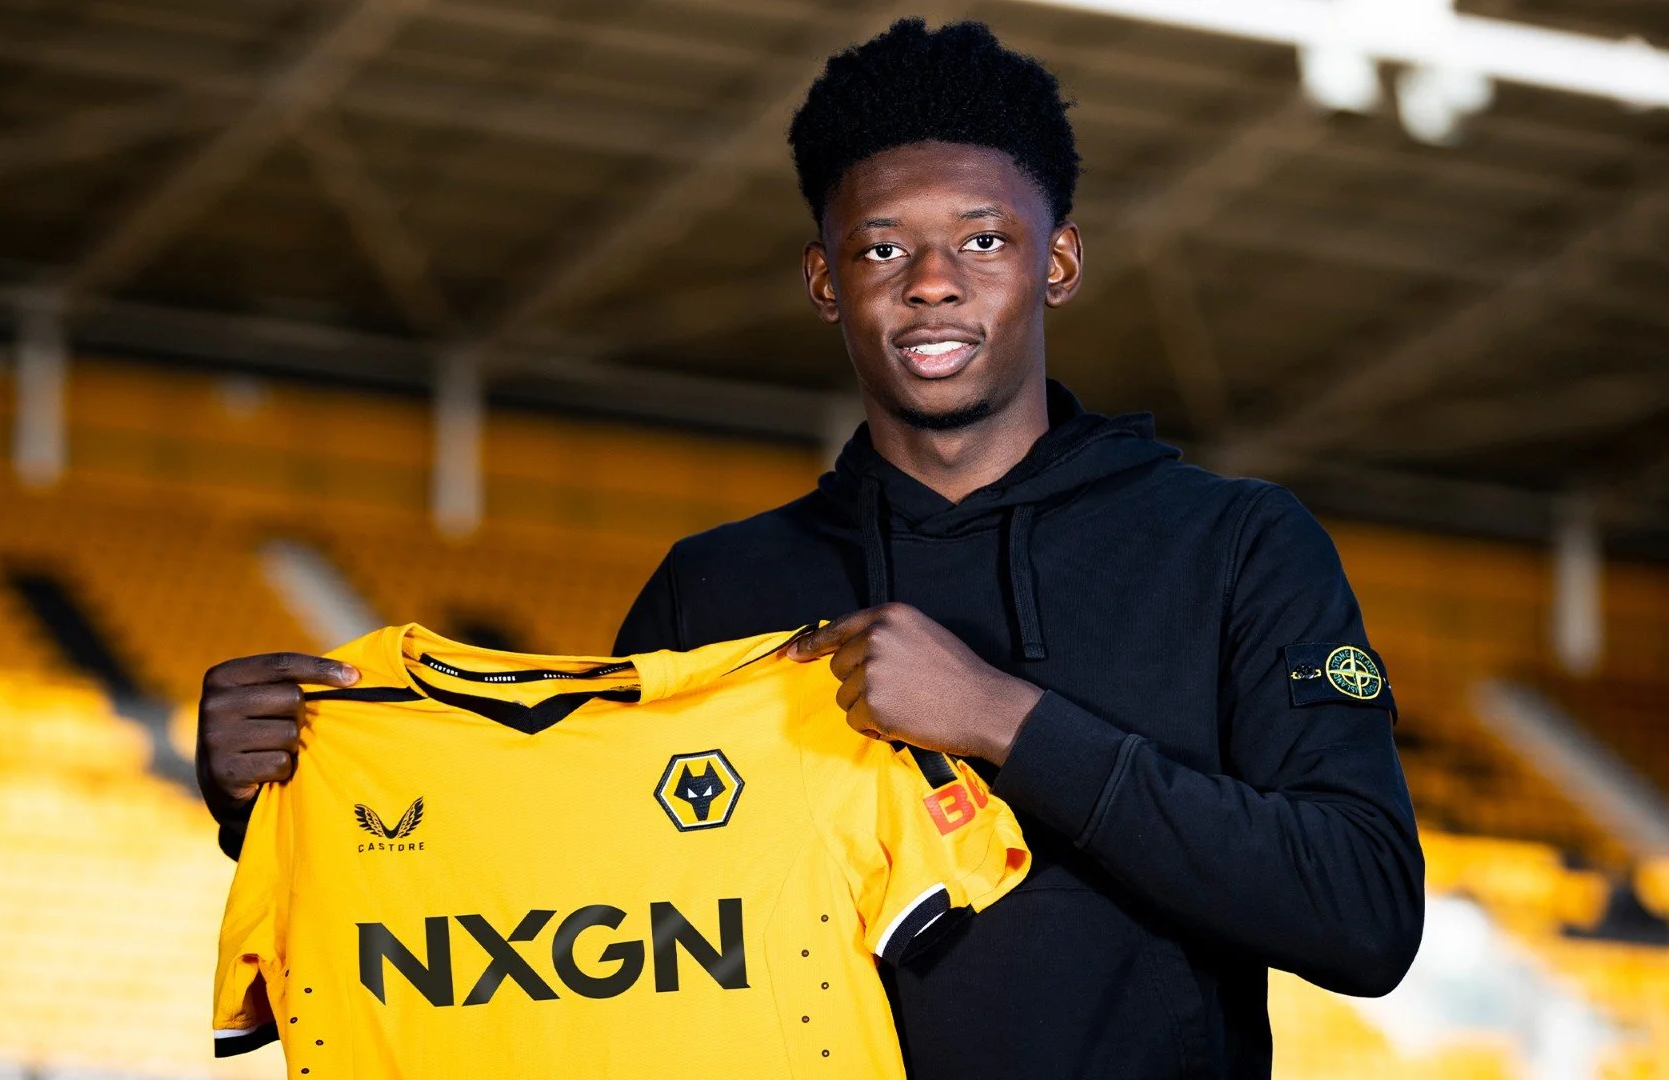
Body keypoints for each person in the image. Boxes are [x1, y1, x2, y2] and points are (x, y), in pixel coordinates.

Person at [195, 19, 1424, 1079]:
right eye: (882, 247)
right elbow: (585, 925)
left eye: (983, 241)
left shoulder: (1235, 544)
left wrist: (1004, 718)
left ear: (1058, 261)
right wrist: (270, 795)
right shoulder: (719, 587)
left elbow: (1363, 915)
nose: (932, 283)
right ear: (825, 280)